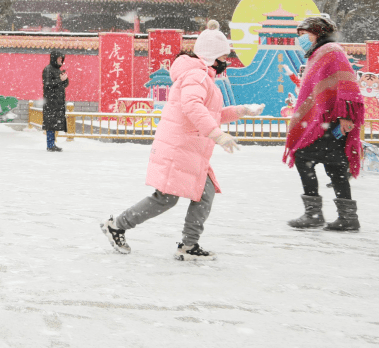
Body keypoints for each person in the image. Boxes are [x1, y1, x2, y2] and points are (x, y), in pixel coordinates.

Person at [100, 20, 263, 261]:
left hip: (191, 149)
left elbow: (211, 114)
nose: (225, 62)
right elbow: (192, 107)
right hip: (181, 148)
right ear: (211, 57)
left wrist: (242, 111)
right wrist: (217, 135)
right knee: (166, 198)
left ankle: (188, 244)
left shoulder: (202, 77)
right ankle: (119, 225)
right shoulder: (196, 76)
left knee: (201, 194)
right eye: (223, 57)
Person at [283, 15, 364, 231]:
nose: (301, 38)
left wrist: (346, 115)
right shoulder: (318, 54)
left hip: (332, 122)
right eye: (299, 34)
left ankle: (315, 214)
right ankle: (347, 217)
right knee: (335, 166)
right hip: (327, 122)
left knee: (304, 157)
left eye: (304, 34)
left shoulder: (331, 51)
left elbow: (347, 84)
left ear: (318, 32)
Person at [41, 49, 68, 152]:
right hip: (50, 102)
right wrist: (59, 80)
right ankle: (50, 145)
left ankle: (53, 144)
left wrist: (65, 79)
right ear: (54, 59)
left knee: (54, 124)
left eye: (62, 59)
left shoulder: (58, 70)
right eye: (59, 59)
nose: (61, 61)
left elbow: (64, 85)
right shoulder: (48, 69)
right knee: (50, 124)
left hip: (58, 102)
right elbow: (47, 85)